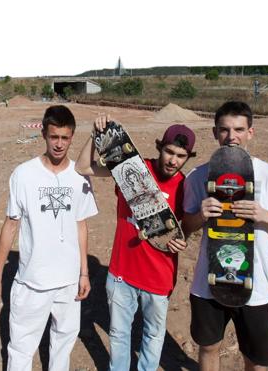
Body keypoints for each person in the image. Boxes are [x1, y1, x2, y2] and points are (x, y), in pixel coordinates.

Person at [182, 101, 268, 371]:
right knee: (209, 346)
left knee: (257, 360)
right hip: (208, 280)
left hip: (253, 285)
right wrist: (200, 216)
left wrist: (264, 215)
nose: (231, 136)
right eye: (224, 130)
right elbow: (185, 228)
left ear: (250, 132)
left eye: (239, 129)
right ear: (214, 132)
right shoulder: (198, 177)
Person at [0, 105, 98, 371]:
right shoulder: (23, 174)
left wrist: (84, 273)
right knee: (21, 349)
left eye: (65, 138)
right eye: (54, 136)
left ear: (72, 137)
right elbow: (11, 225)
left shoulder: (80, 177)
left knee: (63, 345)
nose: (59, 144)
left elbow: (81, 225)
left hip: (68, 283)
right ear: (44, 134)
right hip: (32, 283)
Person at [75, 116, 196, 370]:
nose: (173, 160)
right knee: (119, 335)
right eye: (169, 151)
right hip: (122, 273)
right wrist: (95, 134)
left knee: (153, 336)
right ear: (159, 147)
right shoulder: (130, 168)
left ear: (187, 158)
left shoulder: (186, 187)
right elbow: (83, 167)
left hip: (159, 277)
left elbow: (186, 228)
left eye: (181, 156)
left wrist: (182, 241)